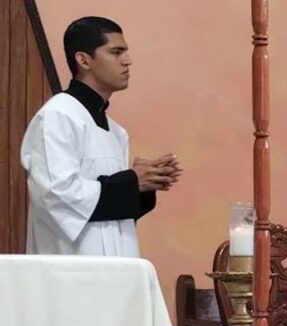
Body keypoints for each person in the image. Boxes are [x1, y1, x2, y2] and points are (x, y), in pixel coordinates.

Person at [21, 16, 182, 257]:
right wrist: (130, 182)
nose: (127, 61)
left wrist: (142, 186)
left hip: (114, 271)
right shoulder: (58, 115)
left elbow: (110, 212)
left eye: (126, 52)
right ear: (84, 60)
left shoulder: (117, 133)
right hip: (71, 273)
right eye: (116, 52)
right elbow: (55, 196)